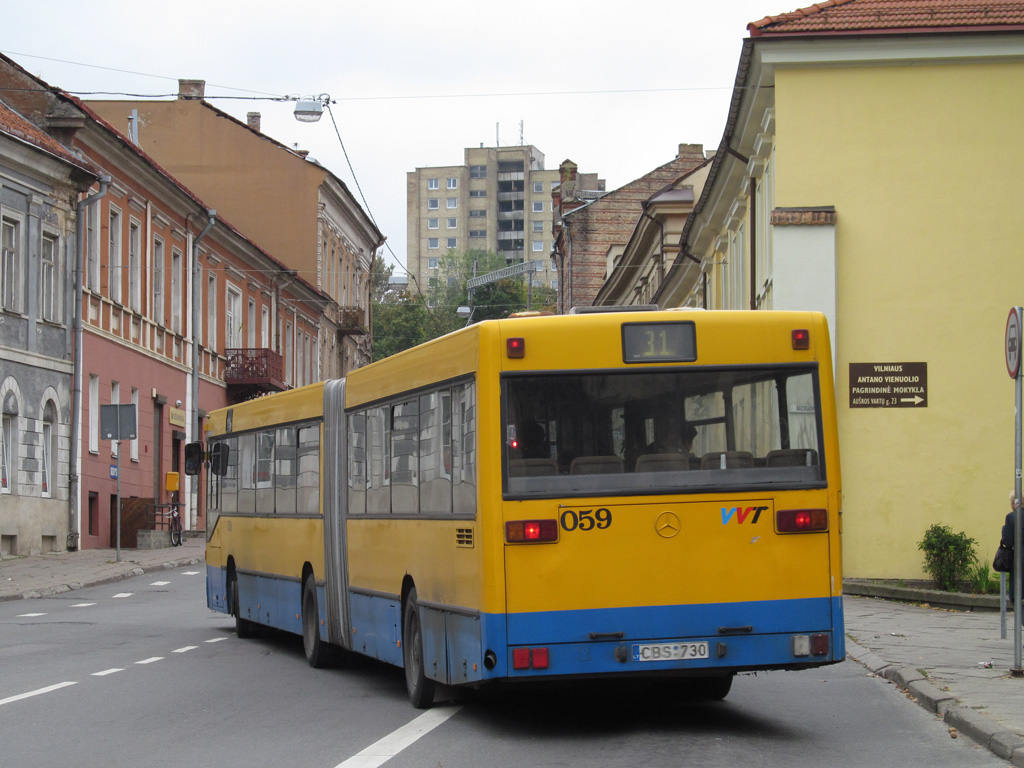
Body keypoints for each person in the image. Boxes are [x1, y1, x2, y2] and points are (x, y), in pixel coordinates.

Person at [999, 491, 1022, 600]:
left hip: (1019, 560)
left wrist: (1005, 528)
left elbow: (1008, 542)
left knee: (1015, 596)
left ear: (1013, 503)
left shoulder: (1011, 517)